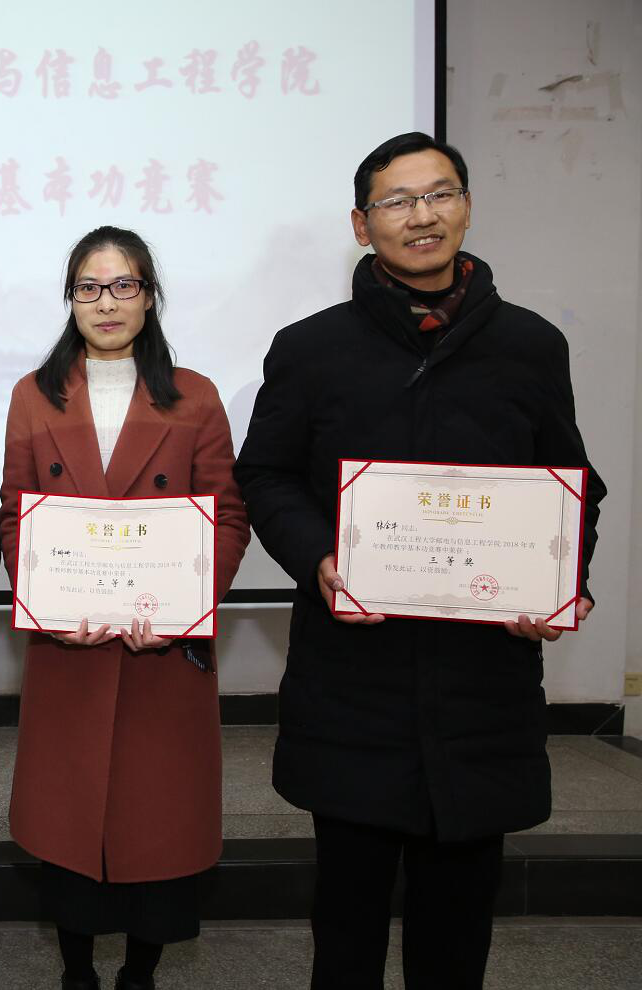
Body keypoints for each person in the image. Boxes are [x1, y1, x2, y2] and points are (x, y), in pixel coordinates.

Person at [234, 132, 606, 989]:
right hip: (353, 681)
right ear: (361, 225)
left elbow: (572, 484)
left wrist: (561, 582)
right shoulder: (310, 348)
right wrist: (318, 558)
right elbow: (266, 474)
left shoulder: (530, 345)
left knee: (457, 934)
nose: (421, 215)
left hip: (481, 682)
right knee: (348, 930)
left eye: (439, 193)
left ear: (467, 207)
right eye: (397, 201)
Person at [0, 226, 249, 990]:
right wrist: (46, 599)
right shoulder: (33, 394)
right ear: (70, 299)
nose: (105, 303)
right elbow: (15, 517)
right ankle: (76, 971)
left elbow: (227, 517)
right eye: (89, 287)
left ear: (149, 296)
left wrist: (182, 607)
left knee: (158, 833)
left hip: (161, 656)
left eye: (123, 285)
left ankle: (141, 974)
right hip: (69, 652)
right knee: (69, 829)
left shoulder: (195, 395)